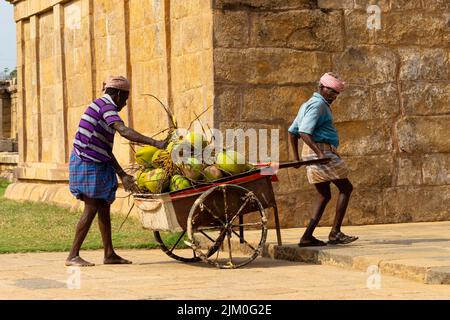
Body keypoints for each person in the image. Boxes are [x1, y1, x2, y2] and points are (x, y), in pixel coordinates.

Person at [66, 76, 167, 266]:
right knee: (92, 206)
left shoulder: (102, 106)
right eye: (126, 98)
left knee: (104, 205)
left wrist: (122, 174)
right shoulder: (106, 106)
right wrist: (156, 143)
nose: (125, 103)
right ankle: (73, 255)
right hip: (87, 161)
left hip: (97, 159)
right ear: (119, 94)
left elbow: (105, 149)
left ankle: (109, 254)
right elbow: (124, 131)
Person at [288, 72, 358, 247]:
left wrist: (297, 158)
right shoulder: (318, 105)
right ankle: (335, 233)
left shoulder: (309, 104)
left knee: (324, 194)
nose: (334, 96)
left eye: (336, 93)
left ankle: (307, 236)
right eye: (331, 91)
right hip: (320, 153)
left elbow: (292, 131)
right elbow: (303, 132)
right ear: (321, 87)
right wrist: (320, 153)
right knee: (346, 188)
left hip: (318, 152)